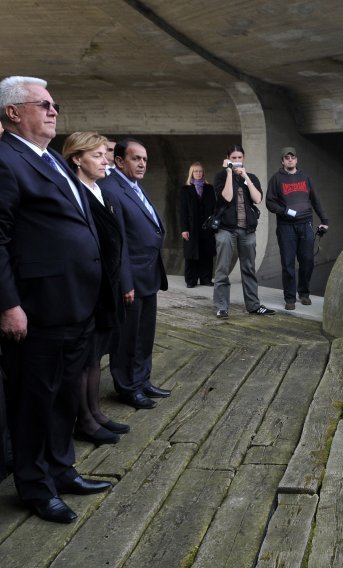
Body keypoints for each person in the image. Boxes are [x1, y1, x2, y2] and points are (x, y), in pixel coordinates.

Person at [0, 76, 111, 523]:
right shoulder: (6, 161)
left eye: (54, 104)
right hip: (38, 307)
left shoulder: (51, 159)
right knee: (33, 400)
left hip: (75, 303)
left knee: (66, 395)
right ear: (12, 112)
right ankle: (35, 486)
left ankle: (62, 469)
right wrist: (8, 304)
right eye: (43, 104)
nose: (53, 111)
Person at [63, 132, 129, 445]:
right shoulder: (76, 191)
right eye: (98, 155)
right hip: (89, 285)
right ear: (77, 159)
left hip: (107, 285)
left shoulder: (98, 190)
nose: (106, 161)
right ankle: (84, 419)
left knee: (96, 353)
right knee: (85, 356)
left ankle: (95, 411)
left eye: (106, 154)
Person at [99, 138, 170, 410]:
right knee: (127, 337)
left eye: (145, 159)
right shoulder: (111, 189)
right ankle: (127, 387)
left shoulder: (133, 187)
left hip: (148, 274)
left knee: (144, 335)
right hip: (130, 279)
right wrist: (125, 281)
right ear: (119, 161)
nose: (142, 164)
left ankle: (142, 380)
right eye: (136, 158)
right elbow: (118, 243)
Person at [212, 144, 275, 318]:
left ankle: (253, 306)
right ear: (227, 159)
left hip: (247, 230)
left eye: (240, 158)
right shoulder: (221, 177)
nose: (237, 161)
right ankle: (222, 306)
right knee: (223, 269)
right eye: (234, 158)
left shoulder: (251, 177)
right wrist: (230, 173)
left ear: (244, 158)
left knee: (249, 268)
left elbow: (258, 198)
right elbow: (227, 197)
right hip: (226, 230)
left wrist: (245, 175)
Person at [265, 147, 329, 310]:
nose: (290, 160)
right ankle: (290, 298)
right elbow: (270, 202)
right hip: (286, 227)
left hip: (305, 225)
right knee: (288, 263)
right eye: (287, 158)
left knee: (307, 261)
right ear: (282, 161)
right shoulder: (276, 179)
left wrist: (324, 220)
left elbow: (315, 200)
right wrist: (284, 211)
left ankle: (304, 293)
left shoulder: (305, 177)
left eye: (292, 157)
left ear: (296, 160)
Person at [180, 162, 217, 288]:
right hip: (191, 227)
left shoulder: (209, 188)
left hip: (207, 227)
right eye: (195, 171)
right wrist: (184, 229)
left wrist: (214, 225)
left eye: (200, 171)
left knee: (207, 253)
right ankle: (191, 280)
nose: (198, 173)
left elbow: (214, 208)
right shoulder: (185, 190)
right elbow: (182, 210)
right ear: (191, 173)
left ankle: (206, 279)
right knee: (191, 254)